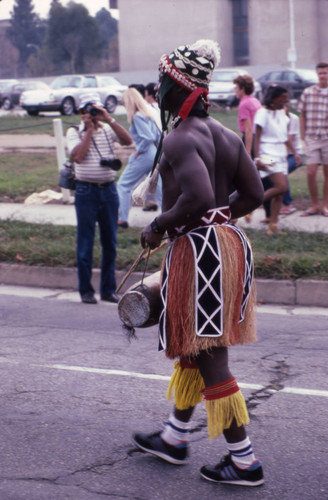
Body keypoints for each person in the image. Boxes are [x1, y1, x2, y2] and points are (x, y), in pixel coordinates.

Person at [133, 40, 265, 487]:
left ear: (179, 87)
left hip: (201, 253)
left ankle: (244, 461)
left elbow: (198, 197)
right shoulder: (226, 136)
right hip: (226, 244)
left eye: (162, 82)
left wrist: (159, 225)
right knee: (195, 344)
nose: (157, 89)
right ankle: (174, 437)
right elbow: (252, 195)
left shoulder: (180, 137)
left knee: (210, 354)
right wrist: (216, 219)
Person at [66, 92, 133, 304]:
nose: (92, 114)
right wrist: (88, 131)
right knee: (85, 242)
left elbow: (127, 140)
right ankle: (86, 291)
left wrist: (108, 119)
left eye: (95, 109)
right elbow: (77, 156)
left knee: (110, 242)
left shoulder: (107, 130)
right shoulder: (74, 131)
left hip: (109, 190)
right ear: (81, 112)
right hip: (86, 191)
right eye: (88, 110)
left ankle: (108, 290)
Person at [254, 85, 301, 235]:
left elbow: (285, 136)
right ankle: (251, 204)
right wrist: (257, 158)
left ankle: (273, 226)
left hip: (281, 153)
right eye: (283, 98)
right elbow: (257, 137)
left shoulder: (282, 113)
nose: (285, 101)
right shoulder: (262, 113)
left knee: (279, 194)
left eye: (287, 98)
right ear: (274, 99)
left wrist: (295, 152)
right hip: (267, 153)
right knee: (282, 187)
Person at [117, 88, 162, 228]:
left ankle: (122, 218)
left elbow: (147, 137)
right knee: (160, 186)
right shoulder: (148, 114)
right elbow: (155, 135)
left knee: (123, 184)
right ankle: (167, 215)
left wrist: (138, 150)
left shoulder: (136, 116)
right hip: (155, 153)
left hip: (145, 154)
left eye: (124, 102)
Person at [298, 62, 328, 217]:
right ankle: (314, 205)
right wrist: (304, 135)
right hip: (312, 138)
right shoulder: (308, 92)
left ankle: (325, 206)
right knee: (310, 172)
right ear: (317, 74)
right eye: (321, 73)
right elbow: (301, 114)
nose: (323, 75)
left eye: (325, 73)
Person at [280, 102, 303, 215]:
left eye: (283, 106)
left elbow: (288, 140)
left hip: (294, 155)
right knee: (263, 170)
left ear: (287, 107)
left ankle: (288, 205)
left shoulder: (293, 119)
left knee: (282, 172)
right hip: (276, 156)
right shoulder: (273, 118)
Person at [143, 82, 162, 211]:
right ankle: (151, 202)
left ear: (148, 94)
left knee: (156, 177)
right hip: (161, 143)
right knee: (149, 175)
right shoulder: (160, 108)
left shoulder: (148, 108)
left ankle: (161, 205)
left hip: (155, 146)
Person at [233, 74, 261, 157]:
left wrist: (247, 151)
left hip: (250, 140)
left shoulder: (244, 104)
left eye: (237, 88)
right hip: (259, 139)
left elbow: (248, 129)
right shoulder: (255, 100)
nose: (235, 90)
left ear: (242, 89)